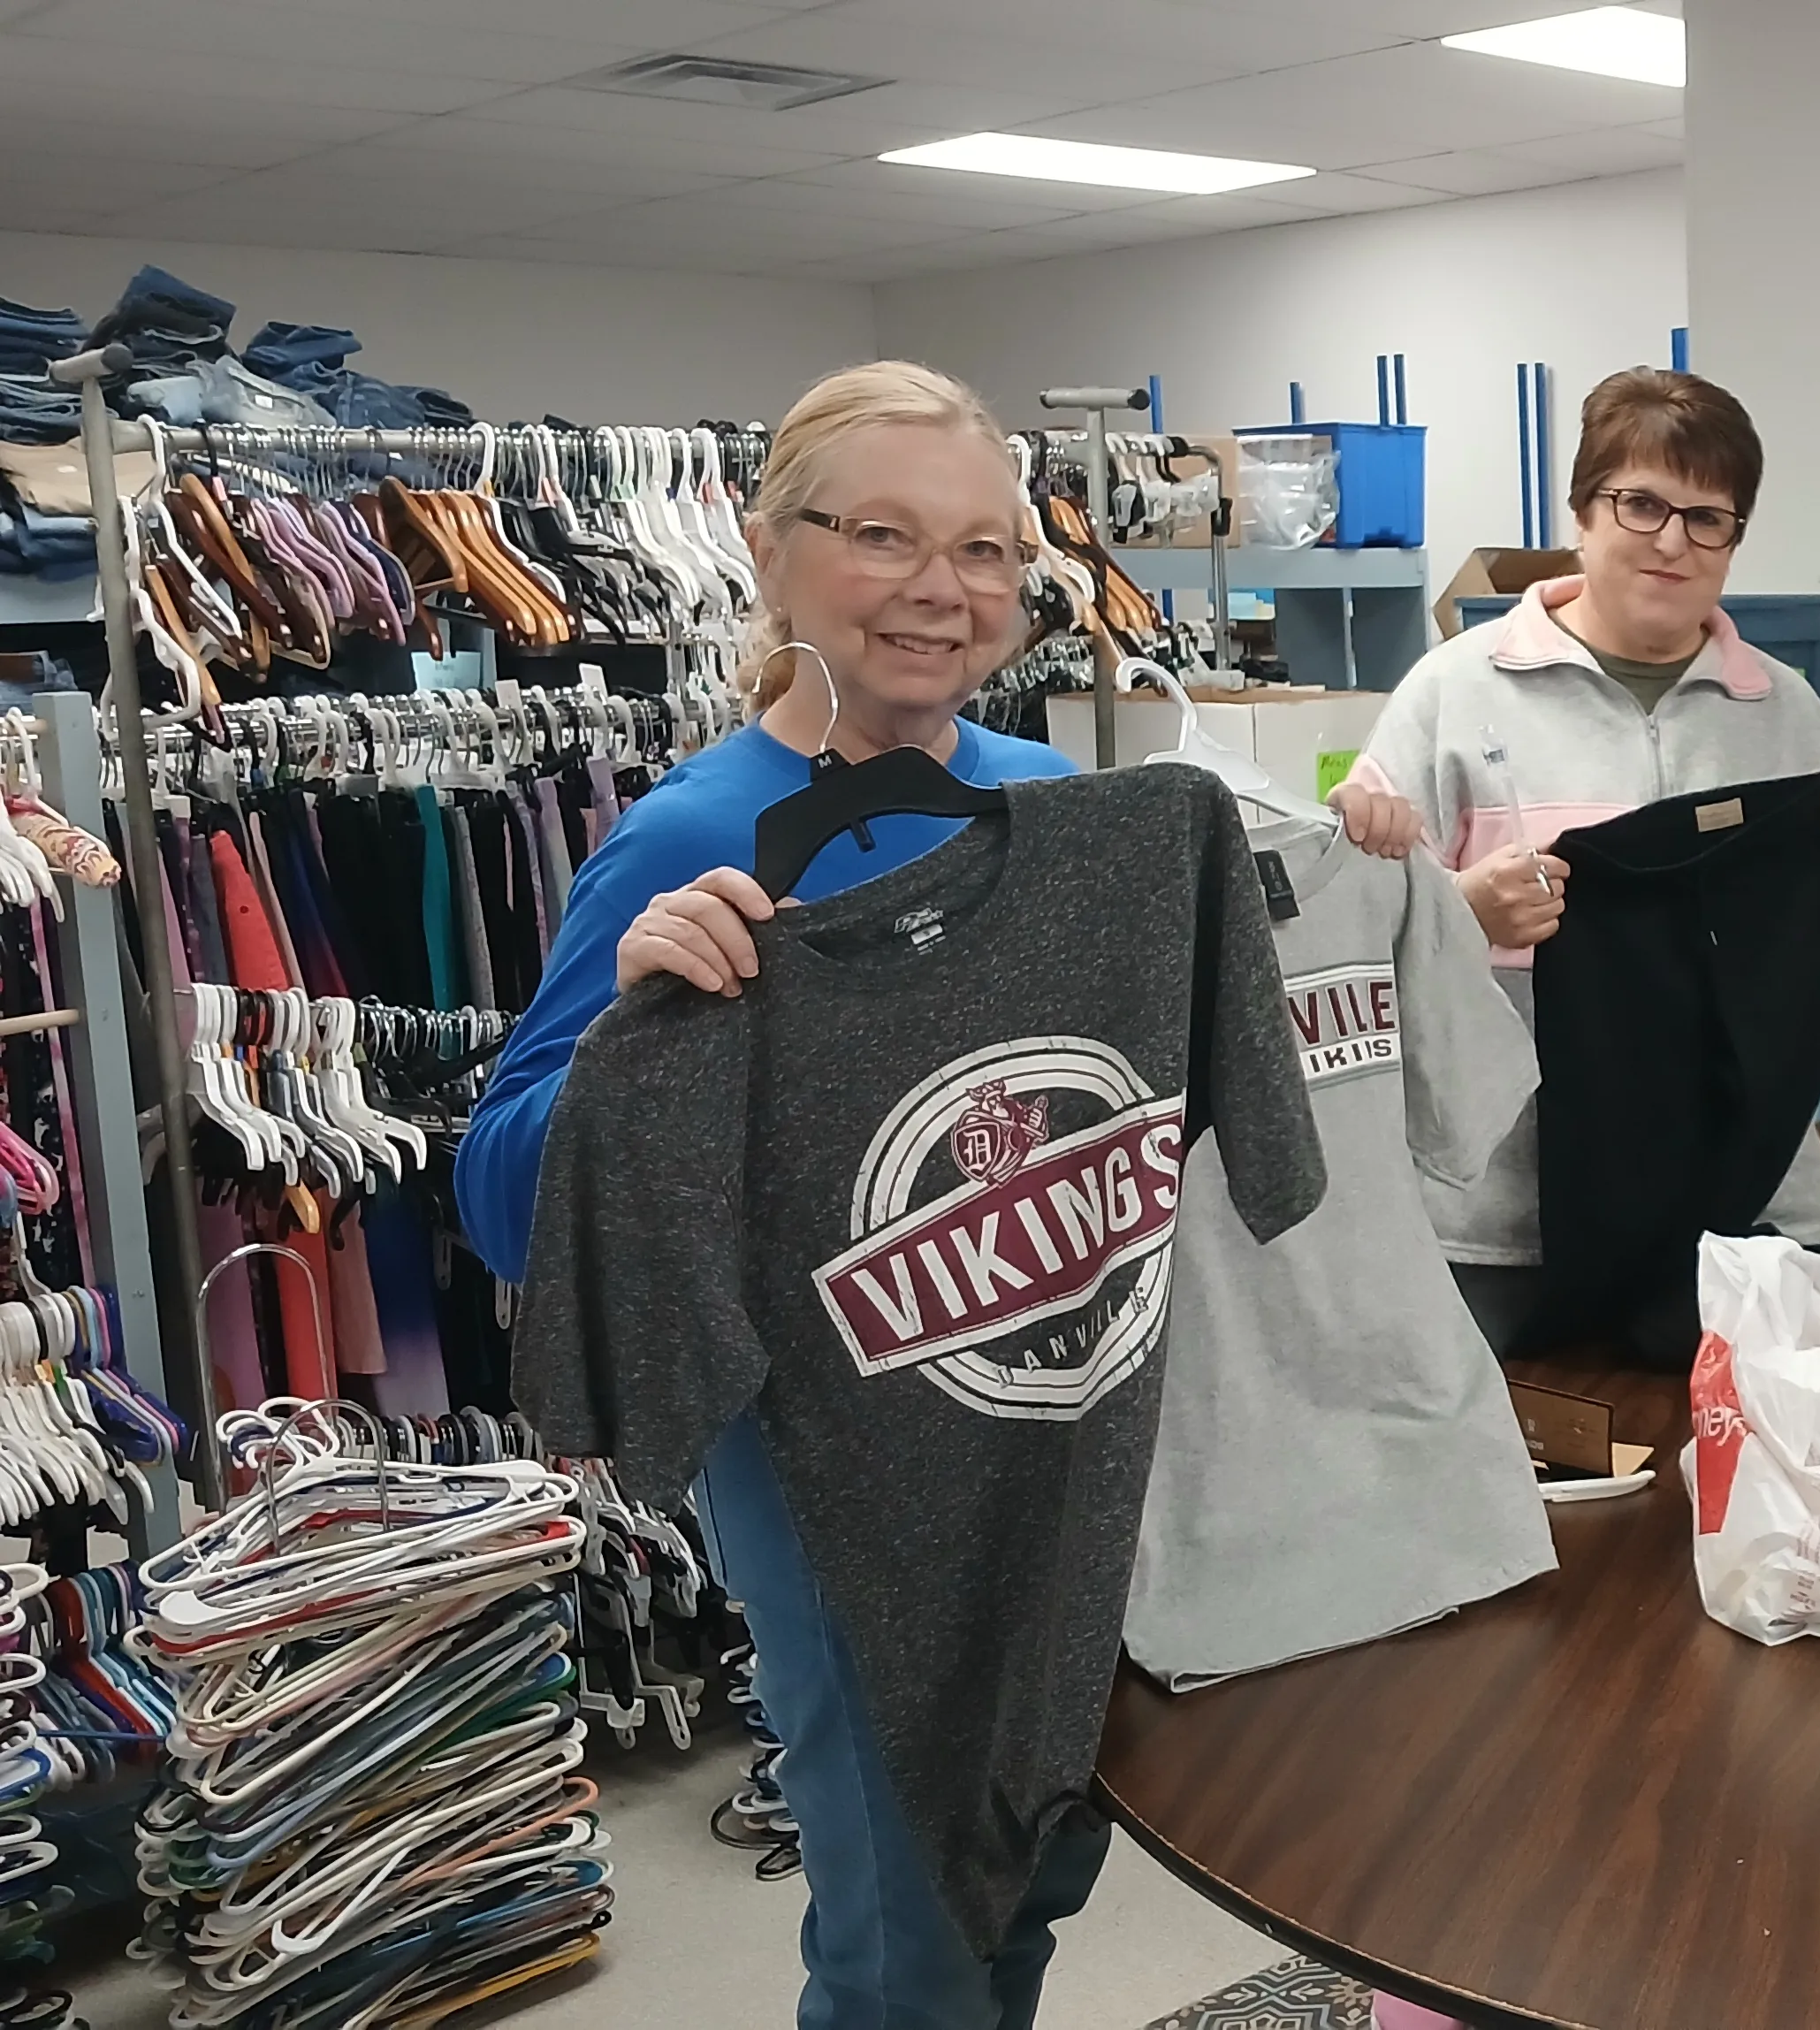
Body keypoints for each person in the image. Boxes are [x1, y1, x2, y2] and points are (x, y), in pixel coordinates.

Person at [453, 359, 1405, 2029]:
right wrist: (627, 1032)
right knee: (907, 1935)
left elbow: (1227, 1071)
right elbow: (497, 1196)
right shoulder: (692, 834)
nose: (943, 590)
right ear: (770, 550)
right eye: (883, 535)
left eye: (985, 549)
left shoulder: (1069, 814)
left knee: (1036, 1868)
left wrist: (1414, 892)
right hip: (841, 1488)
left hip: (1078, 1441)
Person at [1339, 367, 1820, 1353]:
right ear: (1582, 511)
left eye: (1708, 517)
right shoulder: (1451, 694)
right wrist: (1461, 914)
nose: (1673, 541)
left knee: (1730, 1498)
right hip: (1502, 1230)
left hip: (1741, 1221)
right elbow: (1341, 965)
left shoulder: (1783, 712)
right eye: (1641, 503)